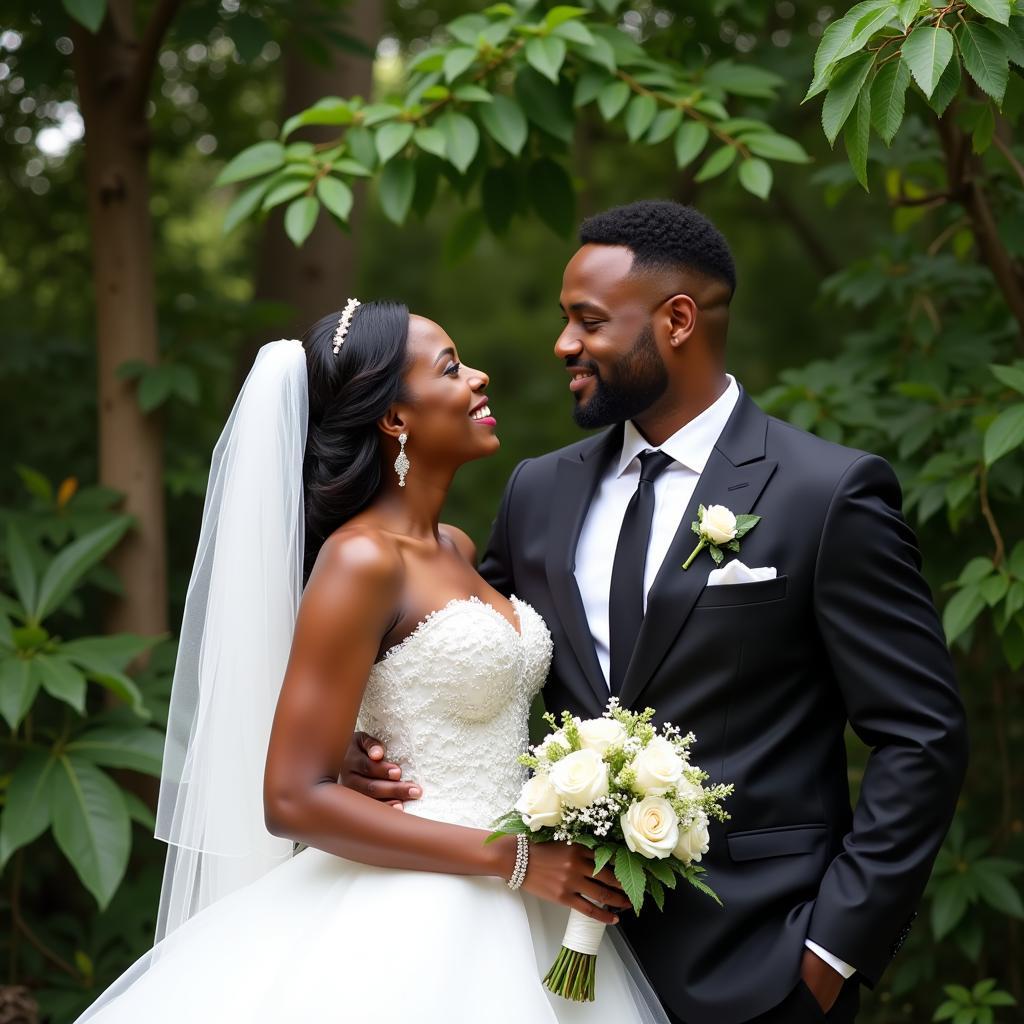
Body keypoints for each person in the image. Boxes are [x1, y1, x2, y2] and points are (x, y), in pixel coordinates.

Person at [345, 201, 970, 1024]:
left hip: (761, 960)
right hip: (550, 957)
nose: (563, 344)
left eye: (588, 321)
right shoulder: (539, 491)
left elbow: (921, 735)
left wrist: (827, 957)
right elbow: (460, 646)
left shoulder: (827, 494)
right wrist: (364, 742)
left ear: (677, 320)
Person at [72, 302, 669, 1023]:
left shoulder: (453, 546)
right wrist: (511, 859)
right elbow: (291, 799)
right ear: (394, 419)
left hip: (526, 910)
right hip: (420, 910)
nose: (479, 379)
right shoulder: (360, 560)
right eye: (451, 368)